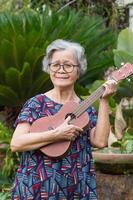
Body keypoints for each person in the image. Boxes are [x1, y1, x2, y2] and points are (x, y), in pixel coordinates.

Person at [10, 39, 117, 200]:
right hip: (37, 188)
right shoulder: (36, 103)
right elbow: (16, 143)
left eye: (68, 65)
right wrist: (57, 134)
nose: (61, 70)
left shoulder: (86, 108)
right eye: (55, 65)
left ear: (79, 70)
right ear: (49, 68)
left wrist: (104, 101)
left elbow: (100, 141)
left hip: (76, 188)